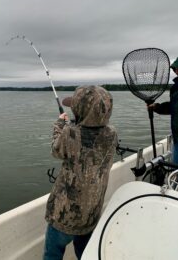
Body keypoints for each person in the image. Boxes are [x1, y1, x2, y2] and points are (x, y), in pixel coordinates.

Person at [43, 85, 117, 260]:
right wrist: (75, 126)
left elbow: (56, 150)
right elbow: (88, 135)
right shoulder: (112, 134)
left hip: (64, 215)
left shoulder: (70, 133)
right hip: (90, 213)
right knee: (85, 253)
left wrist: (59, 124)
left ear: (80, 110)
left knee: (52, 254)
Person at [148, 57, 178, 165]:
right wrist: (156, 107)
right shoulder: (175, 88)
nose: (175, 71)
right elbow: (174, 107)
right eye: (175, 69)